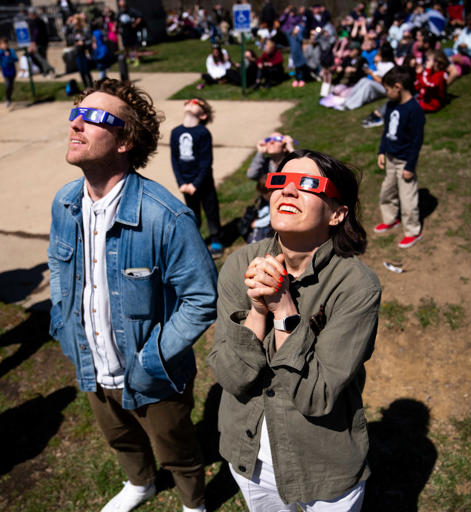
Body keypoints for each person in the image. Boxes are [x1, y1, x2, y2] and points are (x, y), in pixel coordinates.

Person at [48, 79, 217, 512]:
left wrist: (152, 359)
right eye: (76, 113)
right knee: (119, 435)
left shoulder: (166, 216)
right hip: (92, 359)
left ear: (124, 140)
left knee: (176, 447)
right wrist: (63, 324)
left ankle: (193, 503)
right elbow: (56, 267)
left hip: (152, 372)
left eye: (94, 118)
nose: (77, 124)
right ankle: (140, 483)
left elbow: (201, 298)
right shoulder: (64, 203)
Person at [208, 148, 380, 512]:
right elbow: (232, 376)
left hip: (324, 465)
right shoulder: (240, 263)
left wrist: (284, 309)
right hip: (250, 458)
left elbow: (315, 396)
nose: (287, 191)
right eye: (279, 181)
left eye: (307, 184)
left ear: (337, 213)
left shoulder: (355, 286)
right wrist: (256, 311)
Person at [374, 66, 425, 248]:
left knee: (408, 199)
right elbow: (386, 131)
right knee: (386, 192)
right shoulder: (391, 105)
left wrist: (410, 166)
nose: (386, 93)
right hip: (390, 158)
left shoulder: (414, 110)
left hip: (404, 162)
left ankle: (412, 231)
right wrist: (381, 151)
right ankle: (390, 219)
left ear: (398, 87)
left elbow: (417, 141)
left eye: (387, 89)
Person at [169, 97, 223, 259]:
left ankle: (216, 239)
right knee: (193, 213)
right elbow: (174, 159)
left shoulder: (203, 133)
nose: (192, 103)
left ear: (203, 115)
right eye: (190, 101)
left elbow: (206, 162)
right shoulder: (176, 132)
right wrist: (181, 182)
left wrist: (196, 183)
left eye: (197, 103)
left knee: (211, 209)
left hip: (203, 181)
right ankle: (196, 241)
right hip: (186, 183)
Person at [0, 37, 18, 108]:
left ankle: (9, 97)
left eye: (5, 44)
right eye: (2, 44)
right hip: (5, 70)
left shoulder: (11, 51)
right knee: (7, 85)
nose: (4, 45)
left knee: (11, 86)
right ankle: (7, 99)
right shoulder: (0, 53)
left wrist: (9, 56)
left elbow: (16, 59)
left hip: (12, 70)